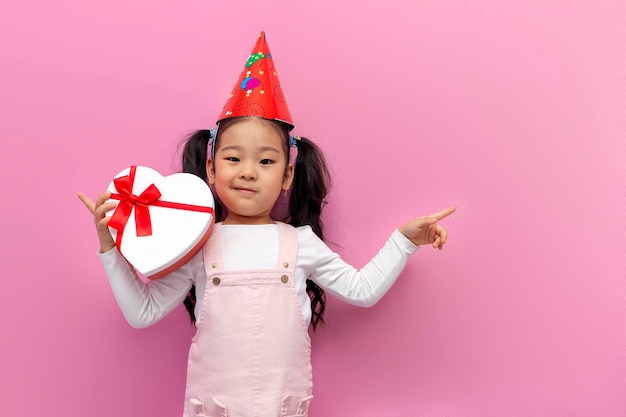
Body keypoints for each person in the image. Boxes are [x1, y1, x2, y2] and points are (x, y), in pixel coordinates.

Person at [78, 32, 456, 417]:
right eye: (233, 159)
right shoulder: (197, 245)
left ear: (288, 175)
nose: (248, 173)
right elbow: (142, 313)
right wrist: (109, 246)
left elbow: (362, 290)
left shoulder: (301, 243)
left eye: (265, 161)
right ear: (210, 168)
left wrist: (404, 241)